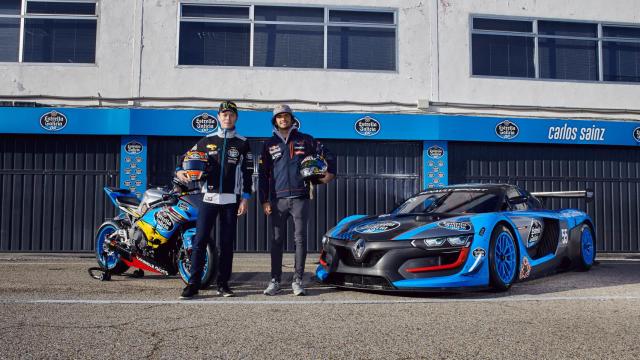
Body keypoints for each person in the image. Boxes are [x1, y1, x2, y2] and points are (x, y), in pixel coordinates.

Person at [178, 100, 253, 299]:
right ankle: (193, 284)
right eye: (224, 114)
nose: (227, 118)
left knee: (227, 244)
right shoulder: (206, 141)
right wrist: (179, 172)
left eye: (231, 114)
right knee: (200, 241)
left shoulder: (243, 142)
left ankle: (223, 284)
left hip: (231, 200)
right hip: (208, 198)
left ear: (236, 117)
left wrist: (245, 198)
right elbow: (184, 160)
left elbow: (248, 173)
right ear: (218, 117)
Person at [259, 104, 336, 296]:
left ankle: (297, 280)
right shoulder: (268, 144)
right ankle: (275, 280)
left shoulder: (306, 139)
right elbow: (262, 175)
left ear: (292, 119)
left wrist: (330, 173)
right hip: (278, 199)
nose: (283, 119)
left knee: (300, 240)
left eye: (286, 116)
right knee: (276, 240)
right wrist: (264, 200)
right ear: (275, 121)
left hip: (301, 197)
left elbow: (328, 154)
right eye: (279, 117)